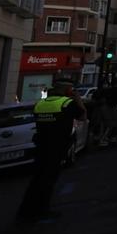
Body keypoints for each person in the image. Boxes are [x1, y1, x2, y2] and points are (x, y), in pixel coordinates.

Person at [17, 80, 86, 222]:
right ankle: (41, 210)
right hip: (57, 146)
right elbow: (82, 116)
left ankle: (25, 210)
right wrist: (77, 99)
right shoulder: (66, 103)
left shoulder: (40, 104)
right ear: (68, 91)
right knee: (48, 180)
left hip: (41, 145)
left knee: (37, 179)